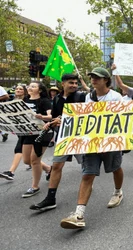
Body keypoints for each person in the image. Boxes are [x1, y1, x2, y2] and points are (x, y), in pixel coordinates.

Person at [60, 67, 124, 229]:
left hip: (110, 142)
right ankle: (79, 214)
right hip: (91, 142)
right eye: (92, 77)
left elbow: (125, 118)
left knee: (115, 168)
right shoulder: (88, 97)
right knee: (87, 175)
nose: (93, 79)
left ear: (106, 80)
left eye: (97, 77)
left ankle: (118, 192)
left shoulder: (116, 97)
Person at [29, 74, 86, 211]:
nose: (73, 85)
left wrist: (64, 119)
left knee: (87, 166)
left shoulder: (81, 97)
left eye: (75, 83)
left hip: (80, 137)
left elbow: (87, 116)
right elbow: (54, 117)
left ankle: (87, 186)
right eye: (70, 82)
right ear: (63, 84)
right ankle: (51, 198)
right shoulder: (57, 99)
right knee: (56, 166)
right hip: (63, 137)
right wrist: (50, 124)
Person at [21, 82, 53, 198]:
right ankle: (48, 168)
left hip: (43, 132)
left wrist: (42, 117)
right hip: (28, 132)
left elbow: (51, 116)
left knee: (34, 160)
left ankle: (35, 187)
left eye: (33, 86)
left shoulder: (44, 101)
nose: (30, 87)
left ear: (39, 90)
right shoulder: (24, 100)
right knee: (26, 160)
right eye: (29, 86)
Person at [0, 85, 30, 180]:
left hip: (29, 130)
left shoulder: (28, 101)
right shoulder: (11, 101)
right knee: (30, 157)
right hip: (18, 130)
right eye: (17, 89)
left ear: (25, 91)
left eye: (21, 89)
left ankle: (11, 172)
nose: (18, 90)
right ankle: (48, 169)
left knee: (19, 149)